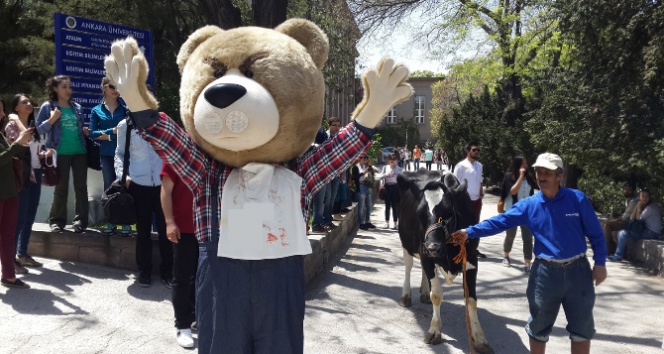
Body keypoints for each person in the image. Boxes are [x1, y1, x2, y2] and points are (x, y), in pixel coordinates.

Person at [453, 152, 608, 354]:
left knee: (582, 329)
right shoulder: (530, 205)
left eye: (547, 173)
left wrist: (600, 263)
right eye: (538, 172)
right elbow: (499, 222)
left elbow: (596, 234)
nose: (541, 177)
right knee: (538, 328)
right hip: (545, 274)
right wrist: (469, 232)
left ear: (559, 175)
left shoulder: (577, 199)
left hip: (578, 273)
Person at [115, 118, 173, 287]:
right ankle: (144, 272)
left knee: (166, 230)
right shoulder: (125, 125)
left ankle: (168, 272)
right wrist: (122, 175)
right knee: (143, 231)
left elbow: (170, 150)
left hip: (162, 184)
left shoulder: (162, 122)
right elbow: (119, 153)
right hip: (138, 185)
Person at [36, 75, 89, 233]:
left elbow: (79, 130)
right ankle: (57, 221)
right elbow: (38, 130)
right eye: (64, 87)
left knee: (81, 187)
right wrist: (52, 120)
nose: (68, 90)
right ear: (55, 88)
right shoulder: (49, 107)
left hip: (80, 152)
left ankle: (81, 222)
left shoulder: (77, 107)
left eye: (69, 87)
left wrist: (85, 132)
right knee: (61, 188)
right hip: (59, 153)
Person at [161, 162, 198, 348]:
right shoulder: (176, 155)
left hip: (208, 227)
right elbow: (166, 191)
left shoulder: (213, 153)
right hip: (183, 228)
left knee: (203, 277)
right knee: (182, 277)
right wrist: (169, 222)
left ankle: (195, 317)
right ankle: (182, 325)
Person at [5, 94, 44, 271]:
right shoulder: (11, 126)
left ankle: (23, 254)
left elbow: (36, 147)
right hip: (21, 175)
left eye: (30, 101)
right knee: (18, 219)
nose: (29, 104)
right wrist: (18, 122)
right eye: (24, 102)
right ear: (15, 108)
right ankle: (10, 260)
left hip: (35, 173)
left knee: (29, 217)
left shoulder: (32, 126)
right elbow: (25, 142)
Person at [89, 77, 132, 236]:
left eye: (118, 86)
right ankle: (112, 222)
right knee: (109, 187)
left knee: (125, 187)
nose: (115, 89)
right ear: (104, 88)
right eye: (112, 86)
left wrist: (107, 136)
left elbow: (128, 132)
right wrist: (112, 133)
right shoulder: (96, 110)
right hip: (106, 155)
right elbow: (92, 134)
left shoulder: (125, 109)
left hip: (124, 156)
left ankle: (126, 223)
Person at [0, 107, 34, 289]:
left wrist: (21, 143)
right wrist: (16, 145)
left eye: (2, 110)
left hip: (10, 192)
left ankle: (9, 276)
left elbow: (12, 156)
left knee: (7, 235)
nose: (3, 114)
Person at [500, 155, 536, 273]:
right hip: (512, 211)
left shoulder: (529, 177)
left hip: (526, 212)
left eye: (526, 164)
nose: (526, 166)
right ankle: (506, 256)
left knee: (528, 238)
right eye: (523, 164)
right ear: (518, 165)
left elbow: (533, 191)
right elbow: (513, 191)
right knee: (510, 235)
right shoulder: (509, 176)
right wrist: (520, 176)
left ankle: (527, 263)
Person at [608, 188, 661, 262]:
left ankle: (618, 255)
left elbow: (638, 218)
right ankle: (623, 254)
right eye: (643, 196)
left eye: (647, 196)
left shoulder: (651, 207)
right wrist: (637, 205)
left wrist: (638, 205)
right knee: (623, 233)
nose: (645, 198)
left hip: (652, 232)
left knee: (623, 233)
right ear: (639, 197)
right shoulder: (645, 205)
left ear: (650, 197)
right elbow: (631, 218)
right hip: (647, 230)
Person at [454, 141, 486, 258]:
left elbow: (480, 181)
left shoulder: (480, 166)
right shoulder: (460, 166)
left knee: (475, 224)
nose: (476, 152)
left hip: (476, 200)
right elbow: (455, 183)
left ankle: (473, 249)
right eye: (474, 150)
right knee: (463, 225)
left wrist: (481, 192)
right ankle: (459, 249)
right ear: (468, 152)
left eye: (477, 150)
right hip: (464, 201)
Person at [602, 182, 638, 254]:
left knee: (607, 224)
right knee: (605, 223)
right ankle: (608, 247)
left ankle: (610, 249)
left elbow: (625, 217)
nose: (626, 191)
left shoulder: (634, 200)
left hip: (630, 223)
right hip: (626, 220)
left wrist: (615, 220)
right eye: (625, 189)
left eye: (629, 190)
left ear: (633, 191)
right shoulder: (628, 199)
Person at [352, 154, 377, 230]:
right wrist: (363, 173)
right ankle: (361, 223)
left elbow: (372, 173)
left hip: (367, 186)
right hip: (361, 187)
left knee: (369, 206)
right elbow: (354, 177)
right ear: (359, 159)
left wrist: (369, 165)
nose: (365, 161)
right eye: (363, 159)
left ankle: (367, 221)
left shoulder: (365, 167)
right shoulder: (356, 167)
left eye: (366, 160)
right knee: (361, 206)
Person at [378, 153, 402, 229]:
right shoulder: (385, 168)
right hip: (387, 186)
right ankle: (387, 222)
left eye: (393, 159)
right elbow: (380, 176)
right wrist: (386, 175)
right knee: (387, 205)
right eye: (390, 159)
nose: (392, 161)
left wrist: (398, 176)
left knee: (395, 206)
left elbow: (403, 177)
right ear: (388, 160)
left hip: (395, 187)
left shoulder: (399, 168)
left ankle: (395, 223)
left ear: (396, 160)